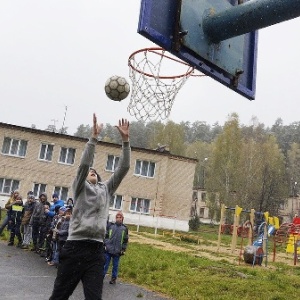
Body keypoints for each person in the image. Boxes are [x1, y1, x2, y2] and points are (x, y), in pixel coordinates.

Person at [49, 114, 130, 300]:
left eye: (95, 172)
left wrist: (125, 141)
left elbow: (123, 168)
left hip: (96, 251)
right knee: (59, 296)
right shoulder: (79, 187)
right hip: (75, 247)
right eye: (89, 172)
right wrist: (93, 138)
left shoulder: (106, 189)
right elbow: (84, 164)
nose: (92, 172)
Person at [103, 211, 129, 284]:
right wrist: (105, 245)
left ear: (122, 218)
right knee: (105, 264)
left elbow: (125, 240)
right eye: (117, 217)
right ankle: (101, 276)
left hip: (117, 251)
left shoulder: (124, 228)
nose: (118, 219)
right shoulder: (111, 226)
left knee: (115, 266)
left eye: (120, 217)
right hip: (108, 249)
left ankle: (113, 278)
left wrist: (123, 249)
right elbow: (106, 236)